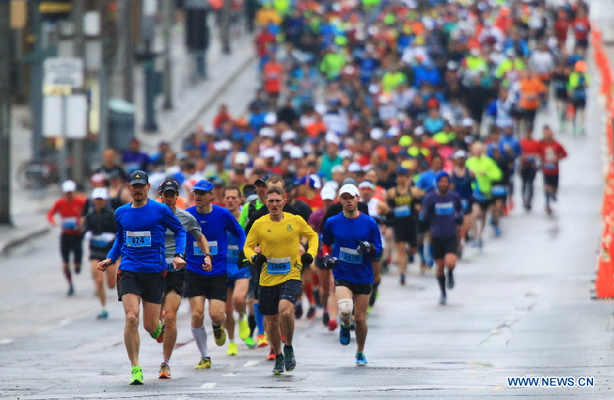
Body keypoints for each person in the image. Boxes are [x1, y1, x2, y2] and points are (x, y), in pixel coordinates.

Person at [98, 170, 187, 385]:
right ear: (129, 188)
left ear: (147, 188)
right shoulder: (120, 212)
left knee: (149, 325)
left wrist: (178, 255)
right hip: (128, 270)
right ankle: (135, 368)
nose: (137, 190)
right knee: (131, 317)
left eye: (141, 187)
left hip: (154, 272)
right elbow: (121, 237)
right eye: (134, 187)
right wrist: (110, 258)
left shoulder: (160, 210)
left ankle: (157, 329)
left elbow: (180, 231)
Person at [243, 186, 319, 375]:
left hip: (291, 274)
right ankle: (277, 355)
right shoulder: (259, 224)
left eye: (278, 201)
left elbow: (313, 236)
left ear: (284, 202)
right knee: (271, 320)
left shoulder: (295, 220)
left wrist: (310, 254)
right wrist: (254, 257)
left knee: (285, 312)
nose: (274, 204)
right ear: (266, 203)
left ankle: (289, 346)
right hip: (267, 278)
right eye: (271, 201)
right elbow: (248, 246)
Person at [185, 179, 246, 370]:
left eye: (203, 193)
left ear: (211, 196)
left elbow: (240, 232)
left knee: (217, 315)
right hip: (194, 270)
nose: (199, 197)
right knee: (197, 314)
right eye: (196, 193)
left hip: (218, 271)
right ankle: (205, 356)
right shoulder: (187, 215)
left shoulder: (222, 214)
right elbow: (175, 234)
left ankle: (218, 326)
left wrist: (244, 250)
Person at [322, 184, 382, 366]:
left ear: (357, 199)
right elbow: (325, 244)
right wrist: (327, 257)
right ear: (340, 200)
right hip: (342, 273)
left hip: (363, 275)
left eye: (351, 197)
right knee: (346, 308)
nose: (348, 201)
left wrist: (369, 248)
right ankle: (344, 325)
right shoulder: (332, 222)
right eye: (344, 198)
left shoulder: (369, 223)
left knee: (360, 317)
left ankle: (360, 351)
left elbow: (379, 250)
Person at [157, 179, 212, 379]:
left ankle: (166, 363)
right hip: (153, 270)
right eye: (166, 194)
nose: (169, 198)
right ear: (160, 195)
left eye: (173, 195)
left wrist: (207, 255)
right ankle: (157, 327)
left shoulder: (185, 217)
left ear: (177, 196)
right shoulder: (150, 216)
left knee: (170, 316)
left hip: (176, 270)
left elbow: (200, 237)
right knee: (154, 322)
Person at [420, 172, 463, 305]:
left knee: (451, 262)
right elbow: (424, 214)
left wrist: (459, 217)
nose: (444, 183)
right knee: (439, 267)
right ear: (437, 183)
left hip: (451, 234)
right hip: (436, 236)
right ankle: (443, 292)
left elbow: (460, 210)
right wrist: (423, 219)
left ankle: (450, 273)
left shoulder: (454, 197)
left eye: (446, 181)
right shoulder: (430, 198)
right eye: (441, 181)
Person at [222, 185, 252, 356]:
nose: (231, 200)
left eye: (234, 197)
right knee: (226, 310)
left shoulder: (246, 219)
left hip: (241, 265)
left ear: (240, 200)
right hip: (223, 266)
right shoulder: (219, 217)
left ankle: (242, 317)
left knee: (239, 299)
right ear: (224, 199)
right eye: (228, 197)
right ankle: (232, 342)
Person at [47, 180, 87, 296]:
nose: (69, 195)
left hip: (77, 235)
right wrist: (53, 222)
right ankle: (70, 284)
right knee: (65, 264)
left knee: (77, 265)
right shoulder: (59, 203)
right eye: (66, 193)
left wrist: (83, 220)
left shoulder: (80, 201)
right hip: (66, 235)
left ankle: (78, 265)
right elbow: (50, 214)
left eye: (70, 192)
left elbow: (88, 209)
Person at [83, 187, 117, 318]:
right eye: (97, 200)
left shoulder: (111, 214)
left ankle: (111, 284)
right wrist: (87, 234)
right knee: (98, 280)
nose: (99, 202)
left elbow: (119, 232)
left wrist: (111, 236)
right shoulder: (90, 215)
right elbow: (85, 229)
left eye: (101, 200)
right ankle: (103, 308)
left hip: (109, 253)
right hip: (95, 252)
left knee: (111, 284)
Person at [386, 167, 419, 283]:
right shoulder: (391, 192)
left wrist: (417, 209)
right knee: (400, 249)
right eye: (399, 176)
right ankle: (402, 273)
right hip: (398, 224)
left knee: (413, 248)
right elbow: (388, 208)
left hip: (410, 223)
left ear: (407, 178)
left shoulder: (413, 191)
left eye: (403, 176)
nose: (401, 179)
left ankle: (409, 256)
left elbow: (419, 205)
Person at [539, 126, 568, 215]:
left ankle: (553, 194)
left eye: (549, 134)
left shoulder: (557, 144)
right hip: (546, 169)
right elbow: (537, 152)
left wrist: (557, 158)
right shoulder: (541, 144)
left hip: (555, 170)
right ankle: (547, 202)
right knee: (546, 186)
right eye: (546, 134)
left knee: (554, 187)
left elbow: (565, 153)